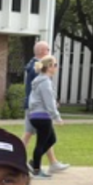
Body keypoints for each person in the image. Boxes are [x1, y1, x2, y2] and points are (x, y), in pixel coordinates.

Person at [23, 41, 69, 173]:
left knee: (47, 137)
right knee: (31, 135)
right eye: (48, 49)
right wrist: (55, 112)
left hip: (38, 109)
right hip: (38, 110)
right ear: (43, 51)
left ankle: (51, 162)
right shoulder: (36, 66)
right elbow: (43, 86)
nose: (56, 67)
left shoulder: (35, 65)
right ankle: (25, 162)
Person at [26, 56, 63, 179]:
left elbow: (40, 99)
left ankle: (34, 163)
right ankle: (36, 170)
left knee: (51, 139)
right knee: (41, 143)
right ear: (49, 67)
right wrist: (56, 116)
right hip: (42, 116)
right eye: (55, 65)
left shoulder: (40, 80)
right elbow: (49, 103)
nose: (57, 67)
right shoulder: (45, 82)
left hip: (37, 115)